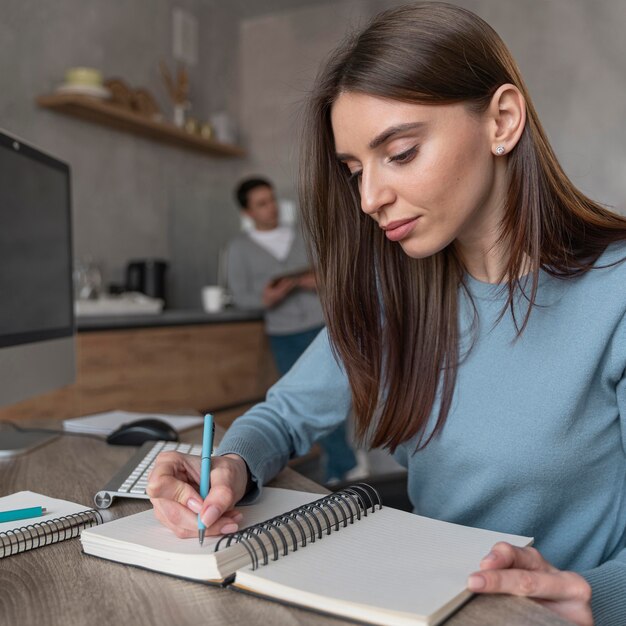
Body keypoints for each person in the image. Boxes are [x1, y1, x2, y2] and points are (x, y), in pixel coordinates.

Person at [148, 4, 626, 625]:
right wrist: (229, 467)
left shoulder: (613, 293)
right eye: (354, 171)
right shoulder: (393, 292)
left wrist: (588, 596)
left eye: (399, 153)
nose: (371, 198)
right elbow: (284, 416)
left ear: (502, 120)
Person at [226, 177, 357, 482]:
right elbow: (241, 297)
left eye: (271, 200)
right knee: (303, 401)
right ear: (247, 213)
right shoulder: (238, 249)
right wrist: (266, 299)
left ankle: (340, 466)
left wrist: (315, 282)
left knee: (337, 396)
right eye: (261, 204)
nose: (271, 208)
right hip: (283, 333)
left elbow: (334, 275)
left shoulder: (303, 237)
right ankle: (344, 464)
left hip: (320, 325)